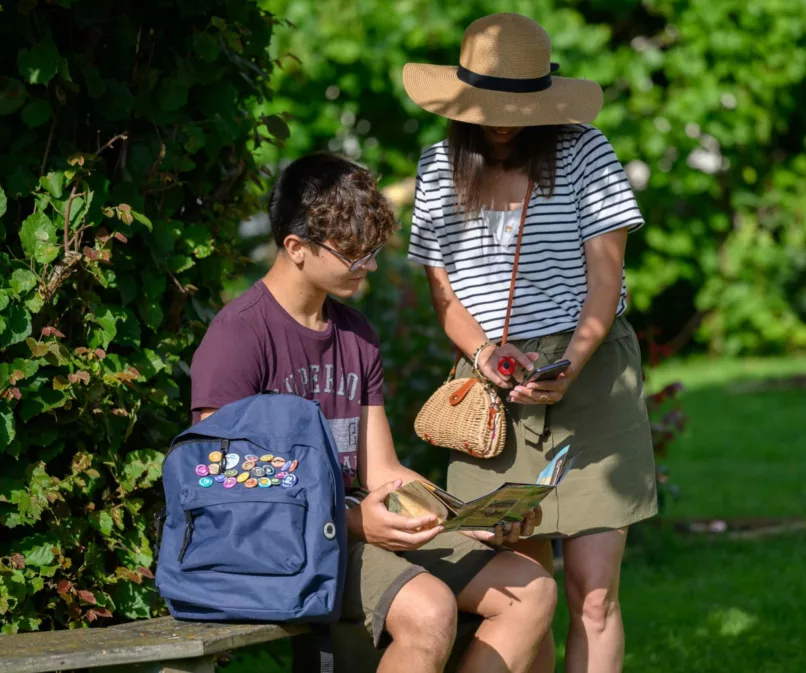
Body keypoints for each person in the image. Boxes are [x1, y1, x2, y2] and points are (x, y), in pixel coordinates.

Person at [188, 152, 556, 673]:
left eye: (373, 251)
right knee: (429, 610)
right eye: (355, 256)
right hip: (283, 543)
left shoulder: (355, 333)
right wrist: (353, 520)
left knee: (532, 587)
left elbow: (382, 471)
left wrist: (470, 519)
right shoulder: (238, 336)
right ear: (296, 247)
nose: (371, 266)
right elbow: (219, 476)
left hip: (354, 525)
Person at [403, 13, 659, 673]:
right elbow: (445, 297)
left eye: (517, 106)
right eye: (488, 107)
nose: (502, 120)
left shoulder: (585, 153)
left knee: (593, 594)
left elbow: (606, 281)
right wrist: (484, 353)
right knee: (525, 591)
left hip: (591, 372)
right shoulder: (437, 167)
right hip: (491, 388)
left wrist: (572, 361)